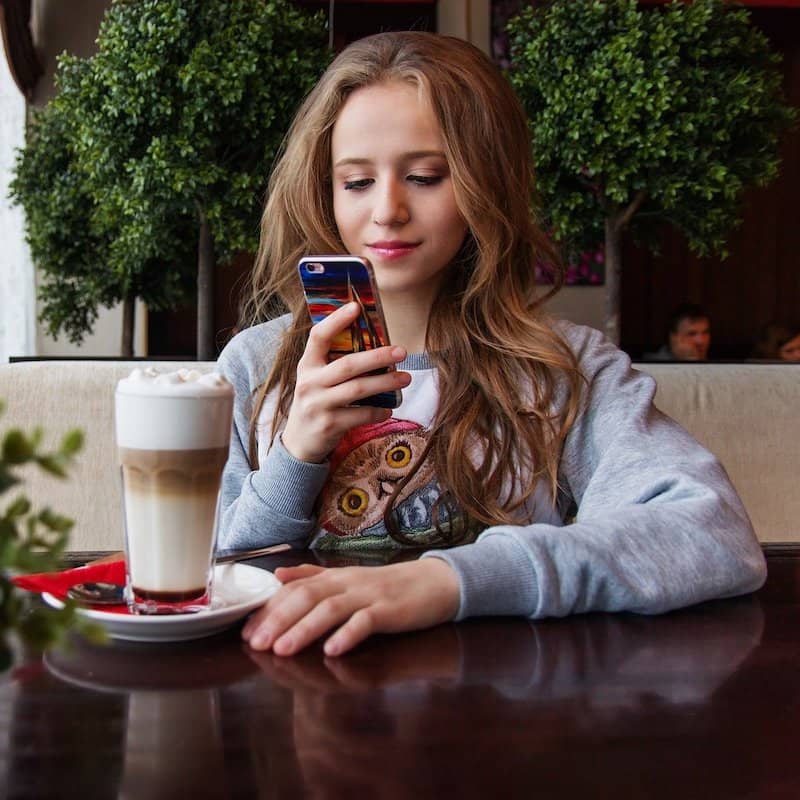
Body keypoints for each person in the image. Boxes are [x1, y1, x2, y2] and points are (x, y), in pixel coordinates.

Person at [216, 32, 765, 657]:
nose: (388, 210)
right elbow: (197, 576)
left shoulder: (563, 370)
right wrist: (294, 458)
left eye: (425, 176)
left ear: (487, 184)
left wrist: (450, 580)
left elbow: (713, 533)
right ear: (324, 190)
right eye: (357, 182)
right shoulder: (256, 367)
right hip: (295, 705)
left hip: (499, 711)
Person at [646, 303, 711, 361]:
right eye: (691, 334)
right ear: (673, 337)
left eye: (705, 332)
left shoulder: (715, 365)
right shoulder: (649, 366)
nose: (701, 341)